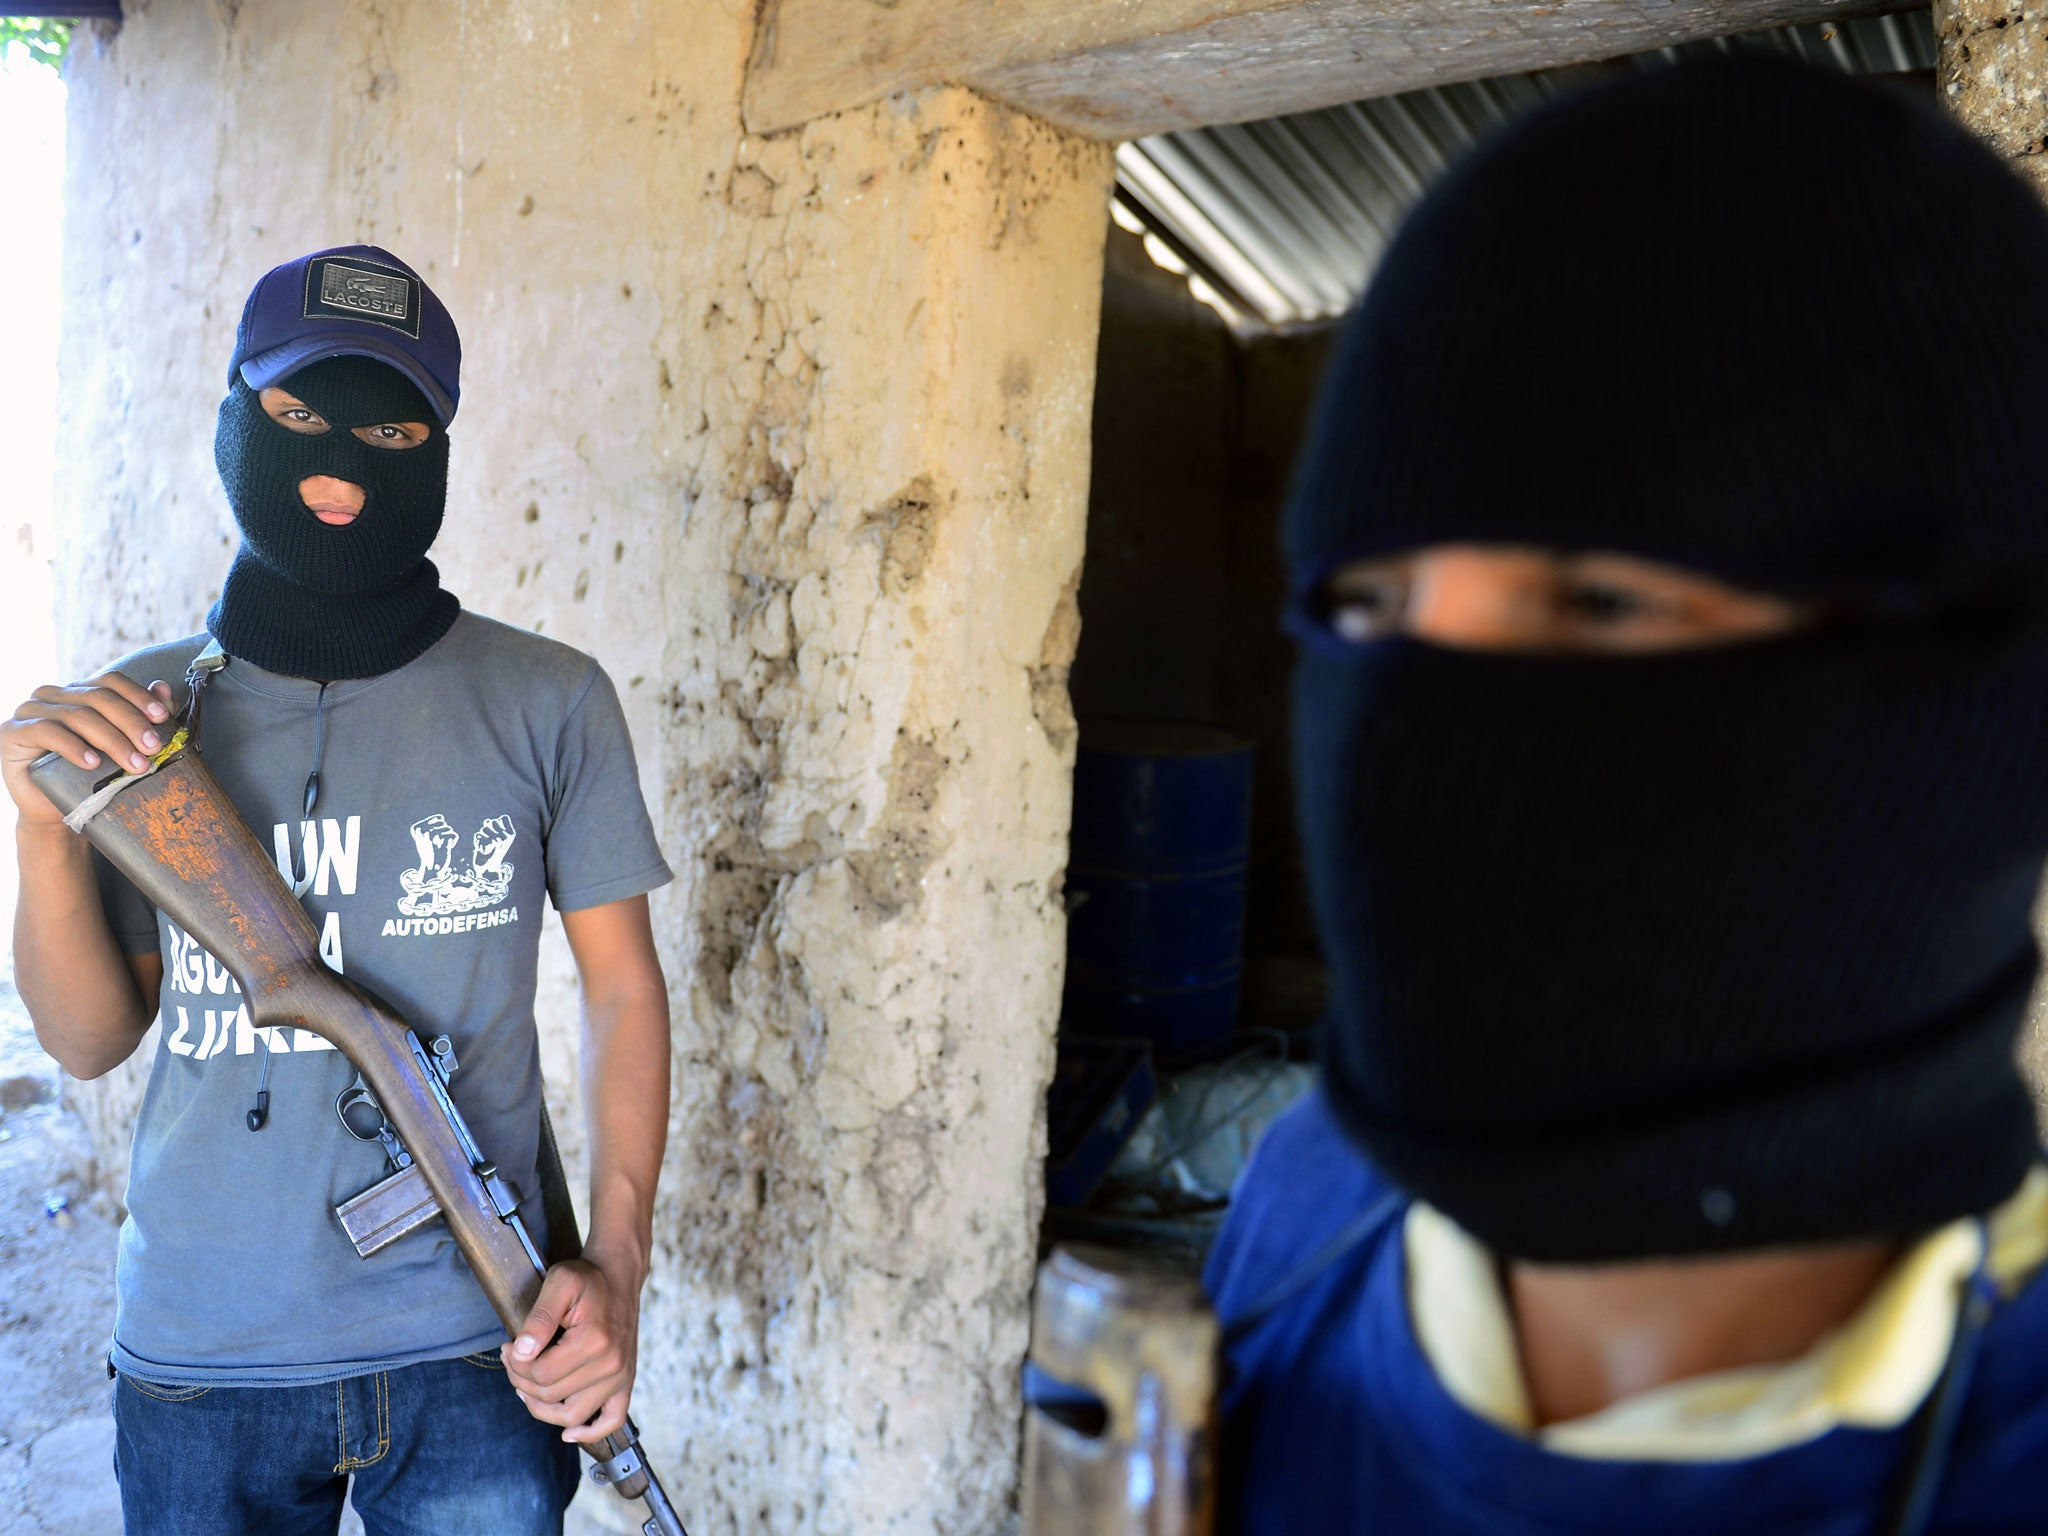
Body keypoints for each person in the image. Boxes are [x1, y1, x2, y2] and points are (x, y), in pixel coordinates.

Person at [1206, 53, 2048, 1533]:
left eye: (1598, 600)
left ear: (1962, 691)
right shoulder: (1306, 1212)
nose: (1416, 731)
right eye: (1368, 609)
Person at [0, 245, 675, 1534]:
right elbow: (86, 1044)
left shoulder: (551, 700)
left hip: (486, 1337)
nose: (336, 463)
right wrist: (42, 832)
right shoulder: (143, 723)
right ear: (234, 422)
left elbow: (622, 993)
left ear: (439, 447)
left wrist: (618, 1268)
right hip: (204, 1350)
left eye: (389, 426)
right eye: (299, 417)